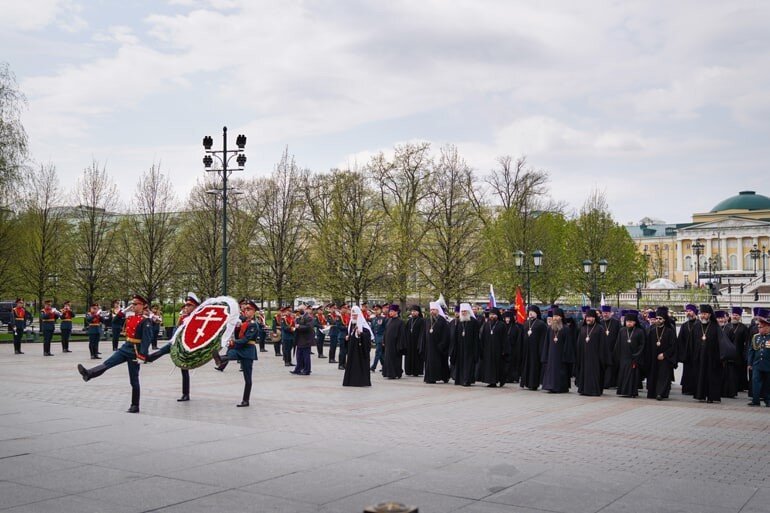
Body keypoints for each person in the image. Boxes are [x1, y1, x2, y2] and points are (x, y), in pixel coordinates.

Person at [77, 294, 154, 413]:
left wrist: (142, 355)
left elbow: (147, 339)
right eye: (132, 304)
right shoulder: (130, 317)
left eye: (135, 304)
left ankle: (135, 405)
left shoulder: (145, 321)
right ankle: (89, 374)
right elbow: (115, 321)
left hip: (134, 351)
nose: (133, 306)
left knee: (134, 380)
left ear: (143, 306)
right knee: (108, 363)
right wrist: (124, 310)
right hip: (125, 347)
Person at [145, 293, 201, 401]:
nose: (186, 307)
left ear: (195, 307)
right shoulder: (184, 317)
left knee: (184, 370)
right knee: (163, 350)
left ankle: (186, 394)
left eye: (189, 305)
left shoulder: (198, 318)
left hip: (186, 346)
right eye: (186, 305)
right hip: (177, 341)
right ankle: (148, 358)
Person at [213, 300, 259, 407]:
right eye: (245, 309)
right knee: (231, 355)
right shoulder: (243, 323)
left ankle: (246, 400)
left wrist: (233, 342)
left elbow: (246, 339)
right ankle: (220, 359)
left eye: (249, 310)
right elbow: (237, 333)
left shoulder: (253, 325)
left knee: (247, 378)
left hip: (248, 350)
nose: (246, 311)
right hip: (240, 349)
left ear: (254, 312)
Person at [692, 304, 723, 404]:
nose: (702, 316)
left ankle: (711, 396)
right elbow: (691, 342)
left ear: (709, 314)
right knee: (700, 376)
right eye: (701, 314)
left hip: (712, 358)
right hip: (699, 357)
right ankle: (700, 395)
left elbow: (720, 343)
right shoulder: (696, 326)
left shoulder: (715, 327)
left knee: (711, 377)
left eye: (704, 314)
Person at [645, 307, 677, 400]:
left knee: (663, 376)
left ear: (664, 320)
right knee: (653, 375)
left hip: (665, 359)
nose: (658, 320)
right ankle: (652, 393)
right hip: (653, 358)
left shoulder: (670, 331)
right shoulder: (651, 331)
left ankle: (660, 393)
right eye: (657, 318)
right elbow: (648, 346)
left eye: (660, 319)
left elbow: (673, 346)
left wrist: (664, 354)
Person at [541, 308, 575, 393]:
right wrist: (545, 356)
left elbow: (568, 345)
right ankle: (550, 386)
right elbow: (546, 343)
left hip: (561, 356)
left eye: (556, 316)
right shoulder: (549, 329)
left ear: (561, 317)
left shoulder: (566, 329)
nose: (555, 318)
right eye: (554, 316)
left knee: (560, 371)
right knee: (550, 371)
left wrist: (566, 356)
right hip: (551, 355)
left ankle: (560, 388)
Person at [575, 308, 608, 396]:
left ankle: (593, 390)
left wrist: (601, 357)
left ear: (594, 318)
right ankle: (583, 389)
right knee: (584, 372)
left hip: (595, 357)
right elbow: (579, 343)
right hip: (584, 356)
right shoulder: (583, 328)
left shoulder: (600, 328)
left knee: (594, 373)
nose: (588, 319)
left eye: (590, 317)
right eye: (587, 317)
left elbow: (603, 344)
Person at [615, 310, 645, 398]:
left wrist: (637, 355)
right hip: (623, 357)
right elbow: (618, 344)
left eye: (631, 322)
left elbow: (642, 345)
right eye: (627, 321)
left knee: (632, 375)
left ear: (635, 322)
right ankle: (622, 391)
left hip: (634, 357)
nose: (629, 323)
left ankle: (632, 392)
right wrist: (617, 356)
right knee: (623, 375)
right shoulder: (622, 330)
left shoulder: (640, 331)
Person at [478, 307, 509, 388]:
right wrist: (481, 349)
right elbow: (482, 338)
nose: (492, 316)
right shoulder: (486, 325)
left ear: (497, 315)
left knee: (497, 366)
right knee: (489, 366)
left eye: (494, 314)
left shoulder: (502, 325)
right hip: (487, 350)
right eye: (491, 314)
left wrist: (504, 350)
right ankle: (490, 381)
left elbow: (505, 339)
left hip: (498, 350)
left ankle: (497, 381)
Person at [450, 303, 479, 386]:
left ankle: (467, 380)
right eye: (462, 311)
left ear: (468, 312)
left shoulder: (474, 322)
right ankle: (459, 379)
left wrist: (475, 349)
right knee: (460, 364)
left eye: (465, 311)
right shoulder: (459, 321)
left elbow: (476, 337)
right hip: (460, 347)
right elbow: (455, 335)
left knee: (468, 365)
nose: (463, 313)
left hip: (470, 348)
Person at [422, 301, 451, 384]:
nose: (432, 312)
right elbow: (425, 333)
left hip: (439, 347)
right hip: (429, 346)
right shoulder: (428, 320)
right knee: (429, 362)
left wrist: (442, 345)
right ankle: (430, 378)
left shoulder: (442, 321)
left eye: (434, 310)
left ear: (438, 310)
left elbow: (446, 335)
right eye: (431, 310)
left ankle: (444, 377)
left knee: (441, 363)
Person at [343, 306, 372, 387]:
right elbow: (350, 333)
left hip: (361, 350)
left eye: (355, 315)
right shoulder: (351, 324)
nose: (354, 316)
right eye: (353, 315)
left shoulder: (363, 325)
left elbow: (368, 336)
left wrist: (361, 334)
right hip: (352, 349)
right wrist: (347, 337)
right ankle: (351, 381)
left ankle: (360, 381)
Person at [520, 305, 547, 391]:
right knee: (526, 365)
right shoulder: (526, 323)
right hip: (526, 349)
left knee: (534, 366)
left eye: (532, 312)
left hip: (536, 350)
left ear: (537, 313)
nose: (530, 313)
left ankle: (534, 383)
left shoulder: (541, 324)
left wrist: (541, 350)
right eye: (529, 312)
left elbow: (543, 338)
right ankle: (526, 382)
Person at [747, 308, 770, 407]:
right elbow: (751, 351)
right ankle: (755, 400)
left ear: (767, 327)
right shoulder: (756, 337)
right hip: (757, 364)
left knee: (768, 384)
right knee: (755, 382)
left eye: (761, 327)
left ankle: (768, 400)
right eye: (758, 327)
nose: (759, 328)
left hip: (768, 364)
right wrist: (749, 363)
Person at [727, 306, 750, 392]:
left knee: (739, 371)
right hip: (728, 353)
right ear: (731, 315)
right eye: (733, 314)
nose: (735, 316)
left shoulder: (744, 328)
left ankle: (739, 387)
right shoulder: (727, 326)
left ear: (740, 317)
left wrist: (745, 354)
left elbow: (746, 342)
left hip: (739, 353)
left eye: (737, 315)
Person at [678, 304, 699, 395]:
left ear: (694, 312)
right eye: (687, 311)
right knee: (687, 371)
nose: (688, 313)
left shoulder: (699, 324)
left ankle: (695, 389)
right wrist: (682, 353)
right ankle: (687, 389)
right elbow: (680, 340)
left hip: (697, 352)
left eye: (690, 311)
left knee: (696, 371)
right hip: (687, 353)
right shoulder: (684, 325)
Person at [599, 305, 621, 389]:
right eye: (604, 313)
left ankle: (611, 383)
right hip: (602, 349)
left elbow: (619, 336)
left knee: (612, 367)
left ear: (611, 313)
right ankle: (604, 383)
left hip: (613, 349)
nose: (605, 314)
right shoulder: (600, 323)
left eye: (607, 313)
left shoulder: (616, 323)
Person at [382, 304, 405, 379]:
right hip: (388, 343)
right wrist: (384, 340)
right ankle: (388, 373)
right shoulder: (389, 320)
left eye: (391, 311)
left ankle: (396, 373)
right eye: (389, 311)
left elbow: (402, 334)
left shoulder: (400, 322)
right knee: (388, 358)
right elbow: (386, 331)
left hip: (396, 344)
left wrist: (400, 344)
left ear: (396, 312)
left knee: (395, 359)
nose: (390, 313)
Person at [291, 307, 314, 375]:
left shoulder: (308, 317)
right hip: (300, 339)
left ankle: (307, 370)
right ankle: (298, 369)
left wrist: (299, 326)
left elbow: (309, 327)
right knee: (299, 355)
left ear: (305, 309)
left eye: (301, 309)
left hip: (306, 340)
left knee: (306, 356)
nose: (299, 310)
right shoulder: (300, 317)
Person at [404, 305, 425, 377]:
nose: (413, 313)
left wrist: (420, 342)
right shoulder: (409, 321)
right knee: (409, 356)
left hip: (417, 342)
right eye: (412, 311)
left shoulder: (421, 321)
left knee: (417, 357)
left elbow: (422, 332)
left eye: (415, 311)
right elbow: (406, 331)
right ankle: (409, 371)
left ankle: (417, 371)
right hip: (409, 342)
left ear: (418, 312)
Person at [369, 304, 388, 372]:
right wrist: (372, 338)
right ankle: (384, 366)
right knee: (380, 353)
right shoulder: (373, 319)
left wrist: (384, 339)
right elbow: (372, 329)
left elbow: (386, 329)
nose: (376, 311)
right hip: (376, 338)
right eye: (375, 310)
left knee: (378, 352)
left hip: (382, 338)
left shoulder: (384, 318)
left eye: (377, 309)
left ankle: (373, 366)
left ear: (381, 310)